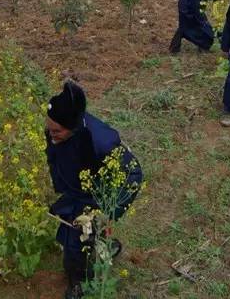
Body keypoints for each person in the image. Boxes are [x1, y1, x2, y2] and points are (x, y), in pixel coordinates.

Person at [45, 80, 143, 299]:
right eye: (49, 128)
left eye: (57, 131)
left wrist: (110, 209)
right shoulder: (56, 129)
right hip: (78, 190)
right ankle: (102, 247)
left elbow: (134, 174)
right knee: (81, 234)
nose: (51, 135)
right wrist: (60, 184)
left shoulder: (102, 141)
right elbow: (54, 155)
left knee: (74, 241)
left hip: (95, 194)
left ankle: (78, 281)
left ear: (72, 127)